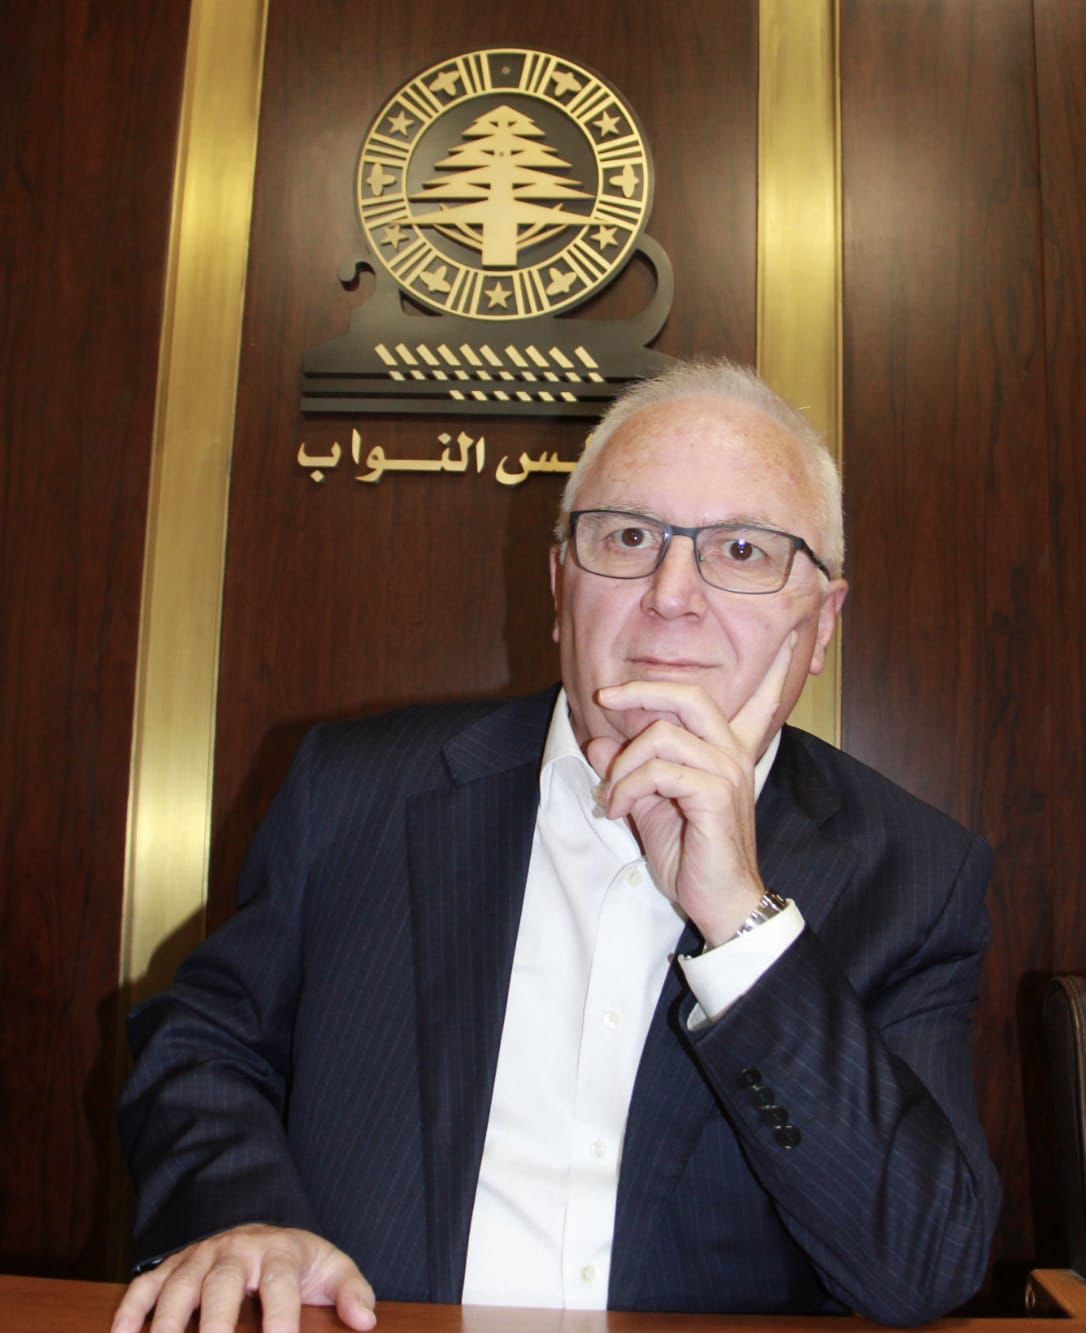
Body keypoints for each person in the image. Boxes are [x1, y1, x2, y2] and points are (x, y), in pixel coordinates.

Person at [112, 359, 1000, 1333]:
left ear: (821, 622)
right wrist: (244, 1217)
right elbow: (202, 1043)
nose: (671, 594)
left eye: (742, 549)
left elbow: (925, 1268)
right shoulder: (354, 790)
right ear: (559, 584)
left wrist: (741, 924)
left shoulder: (912, 875)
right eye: (628, 537)